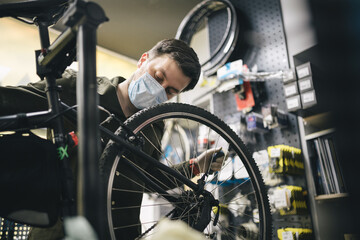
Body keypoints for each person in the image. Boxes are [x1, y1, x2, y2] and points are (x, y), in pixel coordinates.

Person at [0, 38, 224, 239]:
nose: (159, 90)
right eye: (158, 77)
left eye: (170, 91)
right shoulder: (77, 88)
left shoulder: (153, 126)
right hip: (61, 231)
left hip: (119, 233)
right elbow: (9, 103)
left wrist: (196, 166)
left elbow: (149, 179)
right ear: (143, 60)